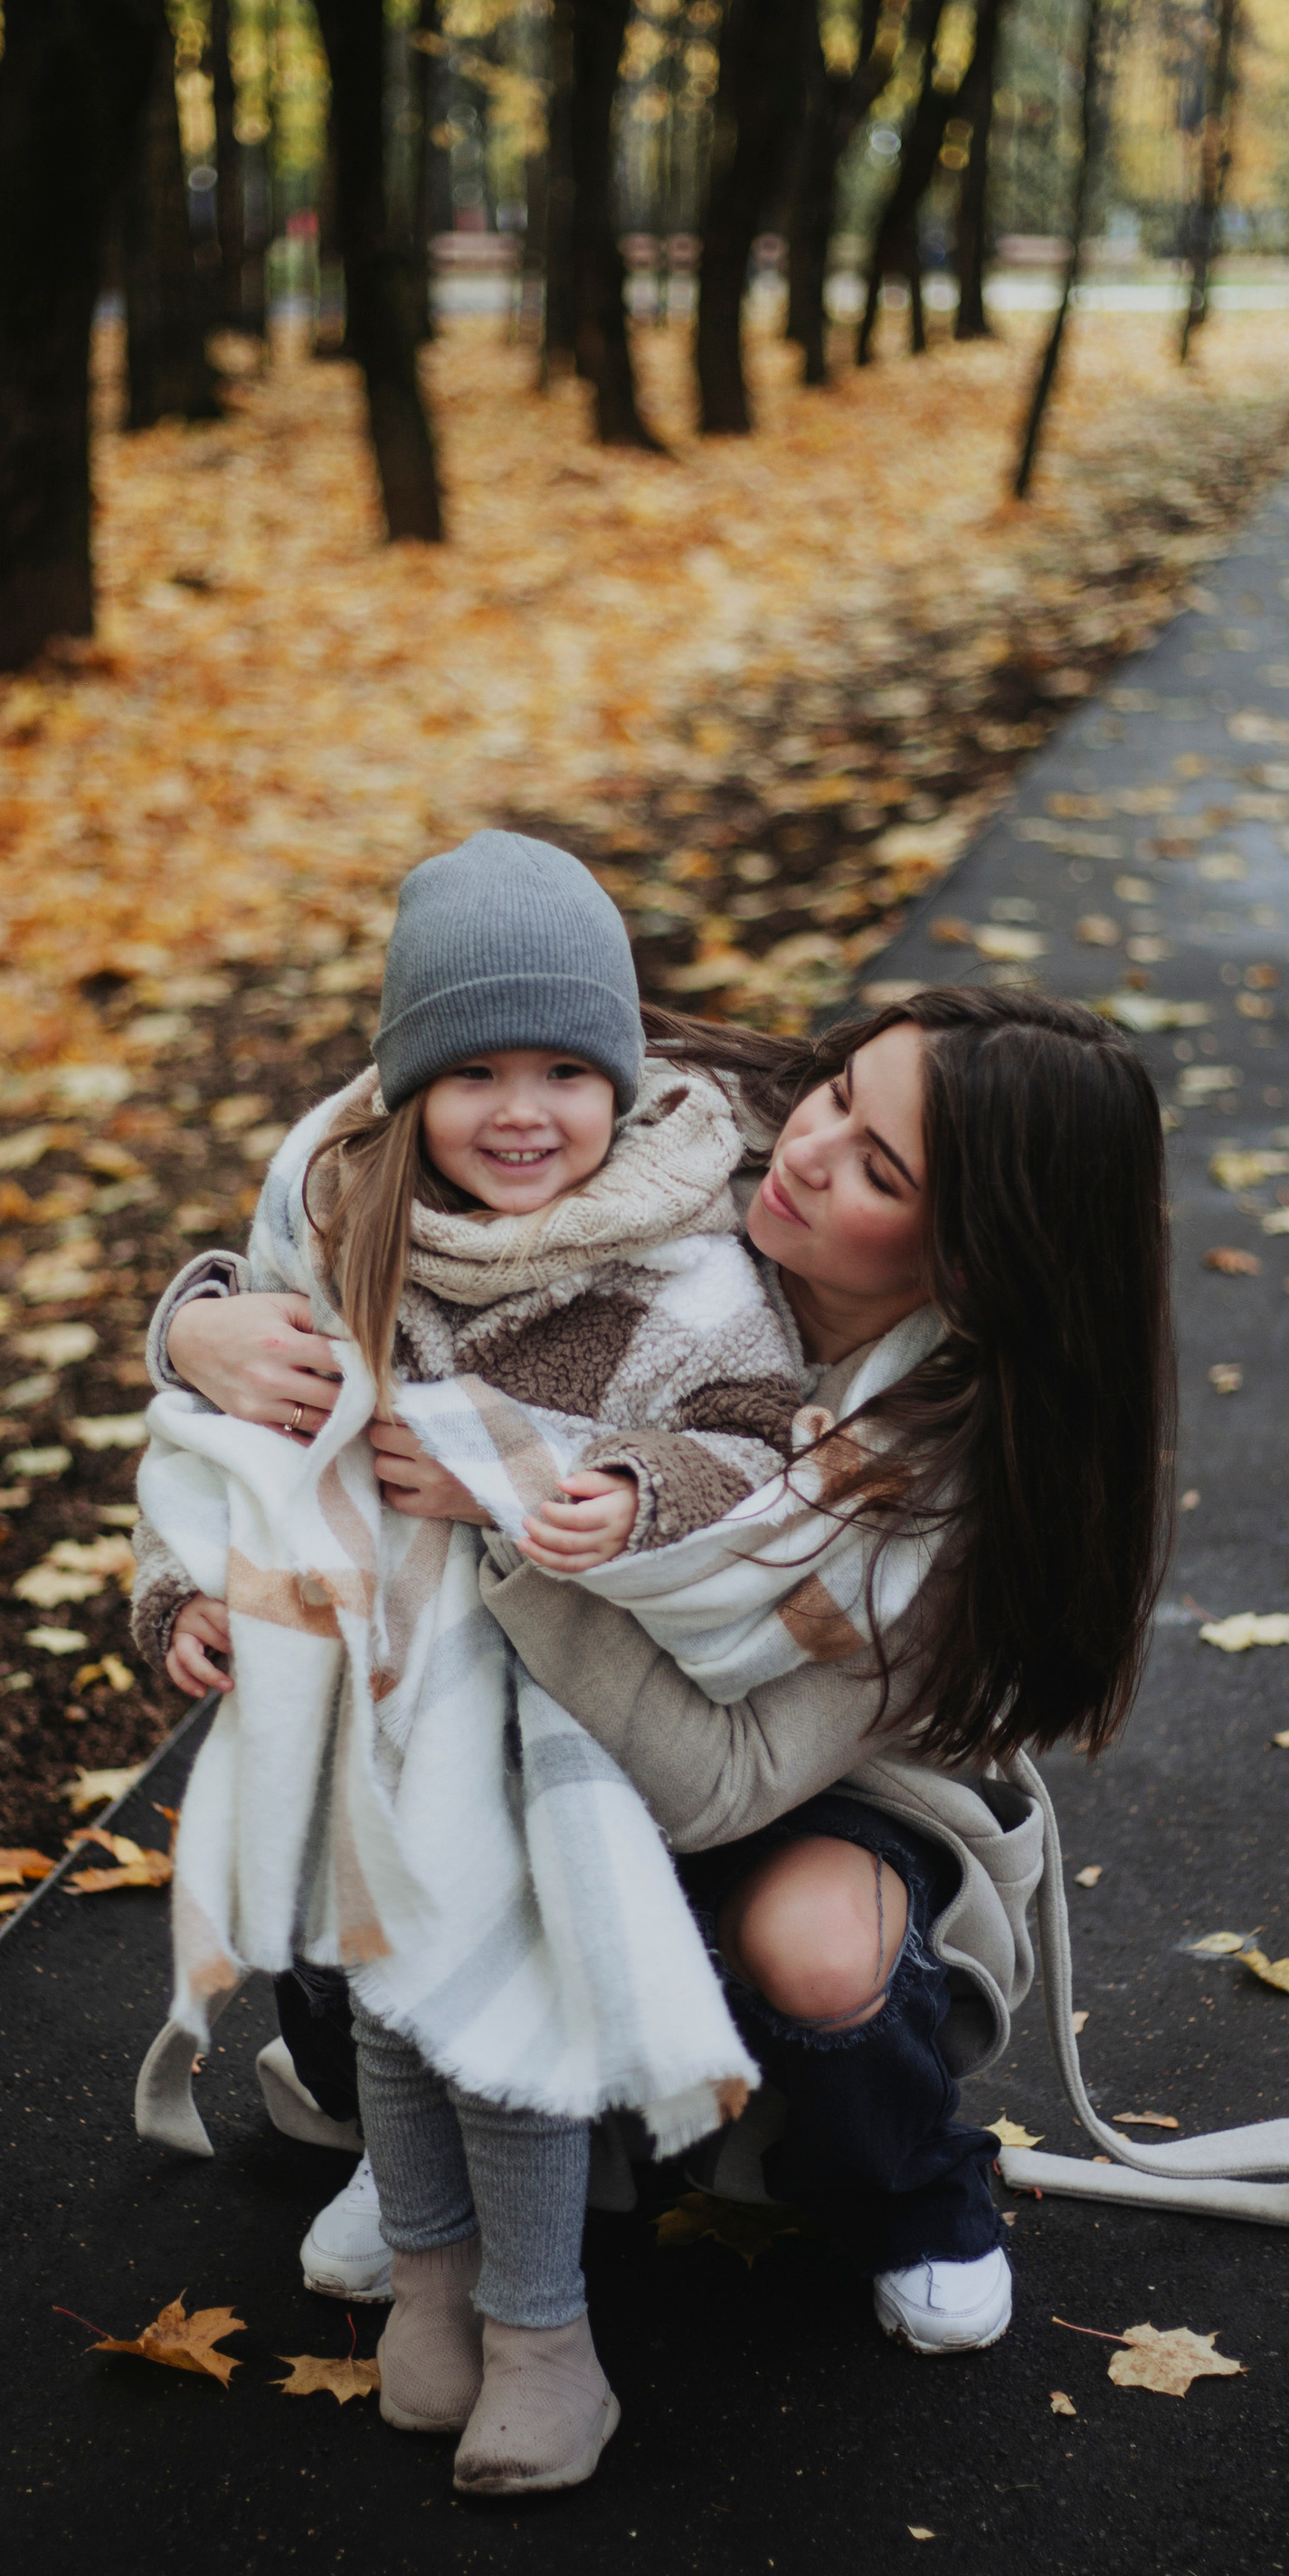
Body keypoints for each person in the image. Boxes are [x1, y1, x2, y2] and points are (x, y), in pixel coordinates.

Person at [147, 983, 1176, 2364]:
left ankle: (909, 2187)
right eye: (834, 1097)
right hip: (488, 1705)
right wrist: (201, 1329)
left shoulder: (944, 1479)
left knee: (815, 1953)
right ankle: (455, 2146)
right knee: (350, 1835)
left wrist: (509, 1513)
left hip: (763, 1781)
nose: (807, 1150)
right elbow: (375, 1184)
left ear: (982, 1261)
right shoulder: (669, 1155)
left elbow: (718, 1788)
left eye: (880, 1169)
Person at [133, 830, 832, 2498]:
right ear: (407, 1088)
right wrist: (185, 1595)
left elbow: (757, 1441)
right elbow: (224, 1444)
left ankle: (545, 2340)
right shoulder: (350, 1225)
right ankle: (433, 2298)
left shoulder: (684, 1261)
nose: (522, 1113)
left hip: (567, 1692)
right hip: (380, 1680)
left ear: (622, 1074)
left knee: (503, 2005)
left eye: (564, 1072)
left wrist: (617, 1485)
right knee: (389, 1996)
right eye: (474, 1074)